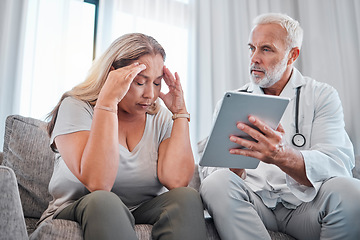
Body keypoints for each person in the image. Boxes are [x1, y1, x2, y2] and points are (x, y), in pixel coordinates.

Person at [199, 13, 360, 240]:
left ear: (292, 55)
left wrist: (284, 156)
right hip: (253, 205)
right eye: (251, 48)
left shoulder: (321, 95)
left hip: (306, 207)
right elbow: (210, 174)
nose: (254, 58)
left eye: (266, 49)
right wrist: (235, 168)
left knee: (352, 191)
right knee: (216, 183)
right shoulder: (231, 101)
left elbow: (338, 163)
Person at [38, 33, 207, 240]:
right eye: (140, 82)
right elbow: (98, 183)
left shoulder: (159, 116)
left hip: (141, 210)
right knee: (104, 200)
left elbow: (176, 180)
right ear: (113, 75)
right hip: (80, 208)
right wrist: (107, 103)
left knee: (186, 197)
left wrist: (180, 113)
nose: (150, 95)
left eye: (156, 83)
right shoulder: (76, 107)